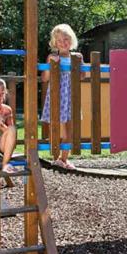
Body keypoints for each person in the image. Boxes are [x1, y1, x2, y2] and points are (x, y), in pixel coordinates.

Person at [40, 24, 85, 170]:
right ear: (54, 43)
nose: (63, 43)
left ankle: (64, 158)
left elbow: (82, 76)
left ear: (71, 40)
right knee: (55, 127)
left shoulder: (76, 57)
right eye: (59, 40)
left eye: (65, 39)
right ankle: (56, 157)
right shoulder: (52, 57)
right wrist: (51, 64)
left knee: (69, 129)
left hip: (71, 97)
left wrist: (79, 64)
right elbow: (45, 78)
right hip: (57, 96)